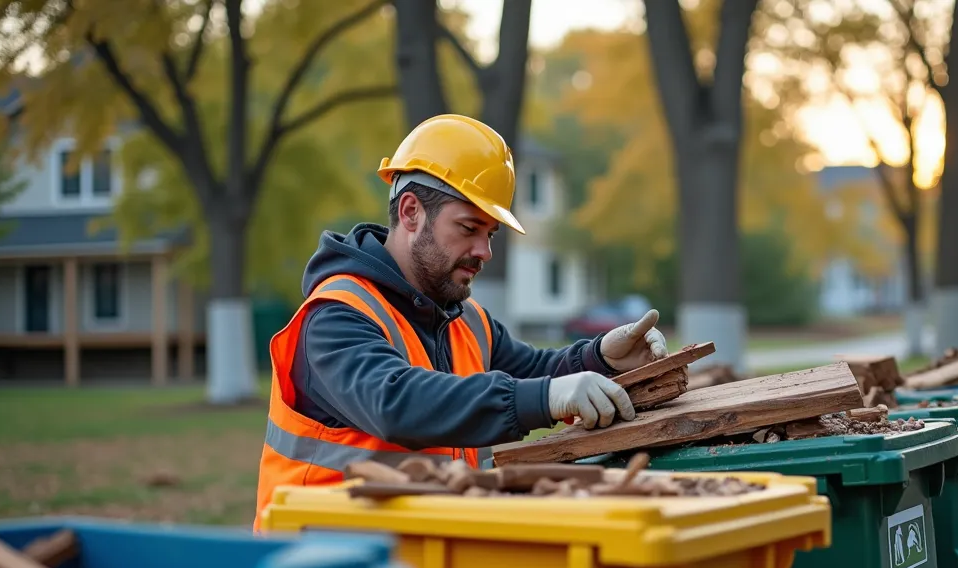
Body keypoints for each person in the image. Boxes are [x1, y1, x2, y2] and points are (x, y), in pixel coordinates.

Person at [253, 113, 668, 529]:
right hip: (318, 559)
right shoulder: (335, 316)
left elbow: (534, 371)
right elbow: (396, 403)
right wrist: (546, 398)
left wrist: (600, 357)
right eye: (469, 228)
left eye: (490, 234)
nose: (484, 251)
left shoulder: (464, 319)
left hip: (420, 552)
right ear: (411, 212)